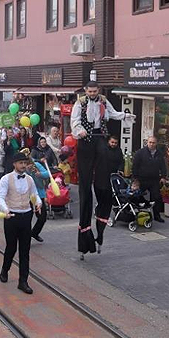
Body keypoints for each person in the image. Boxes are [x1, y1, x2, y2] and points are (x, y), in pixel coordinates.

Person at [71, 81, 134, 260]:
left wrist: (125, 116)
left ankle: (103, 203)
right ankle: (85, 230)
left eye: (94, 90)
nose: (92, 93)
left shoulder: (104, 101)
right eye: (89, 91)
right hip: (85, 140)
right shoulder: (80, 103)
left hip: (99, 137)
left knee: (104, 169)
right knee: (85, 185)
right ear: (86, 91)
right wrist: (80, 131)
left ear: (98, 90)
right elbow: (74, 122)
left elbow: (113, 114)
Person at [0, 153, 42, 294]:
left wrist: (38, 203)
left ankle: (23, 281)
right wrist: (5, 209)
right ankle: (5, 269)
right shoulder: (6, 179)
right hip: (11, 217)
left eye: (25, 163)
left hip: (26, 216)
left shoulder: (29, 179)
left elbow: (35, 194)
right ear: (14, 164)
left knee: (25, 250)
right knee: (11, 247)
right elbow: (0, 196)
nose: (23, 165)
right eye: (20, 163)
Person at [93, 135, 125, 251]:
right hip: (101, 177)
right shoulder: (102, 150)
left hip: (112, 178)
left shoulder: (118, 151)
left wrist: (120, 169)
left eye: (115, 143)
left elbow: (121, 161)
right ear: (108, 142)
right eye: (112, 142)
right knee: (103, 198)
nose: (114, 144)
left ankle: (105, 216)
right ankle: (99, 212)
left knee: (110, 198)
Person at [132, 136, 167, 223]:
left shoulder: (159, 153)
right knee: (136, 195)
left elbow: (163, 166)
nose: (151, 144)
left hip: (154, 179)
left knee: (156, 197)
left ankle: (157, 215)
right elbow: (135, 166)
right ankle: (136, 213)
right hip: (142, 179)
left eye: (153, 142)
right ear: (147, 142)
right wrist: (135, 179)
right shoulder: (140, 153)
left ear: (156, 143)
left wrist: (163, 177)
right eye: (150, 142)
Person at [27, 156, 51, 242]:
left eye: (30, 164)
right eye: (27, 165)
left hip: (39, 194)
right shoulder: (23, 170)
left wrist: (40, 174)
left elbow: (48, 173)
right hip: (27, 196)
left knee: (42, 217)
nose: (29, 167)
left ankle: (34, 233)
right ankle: (26, 236)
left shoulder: (37, 165)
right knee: (27, 217)